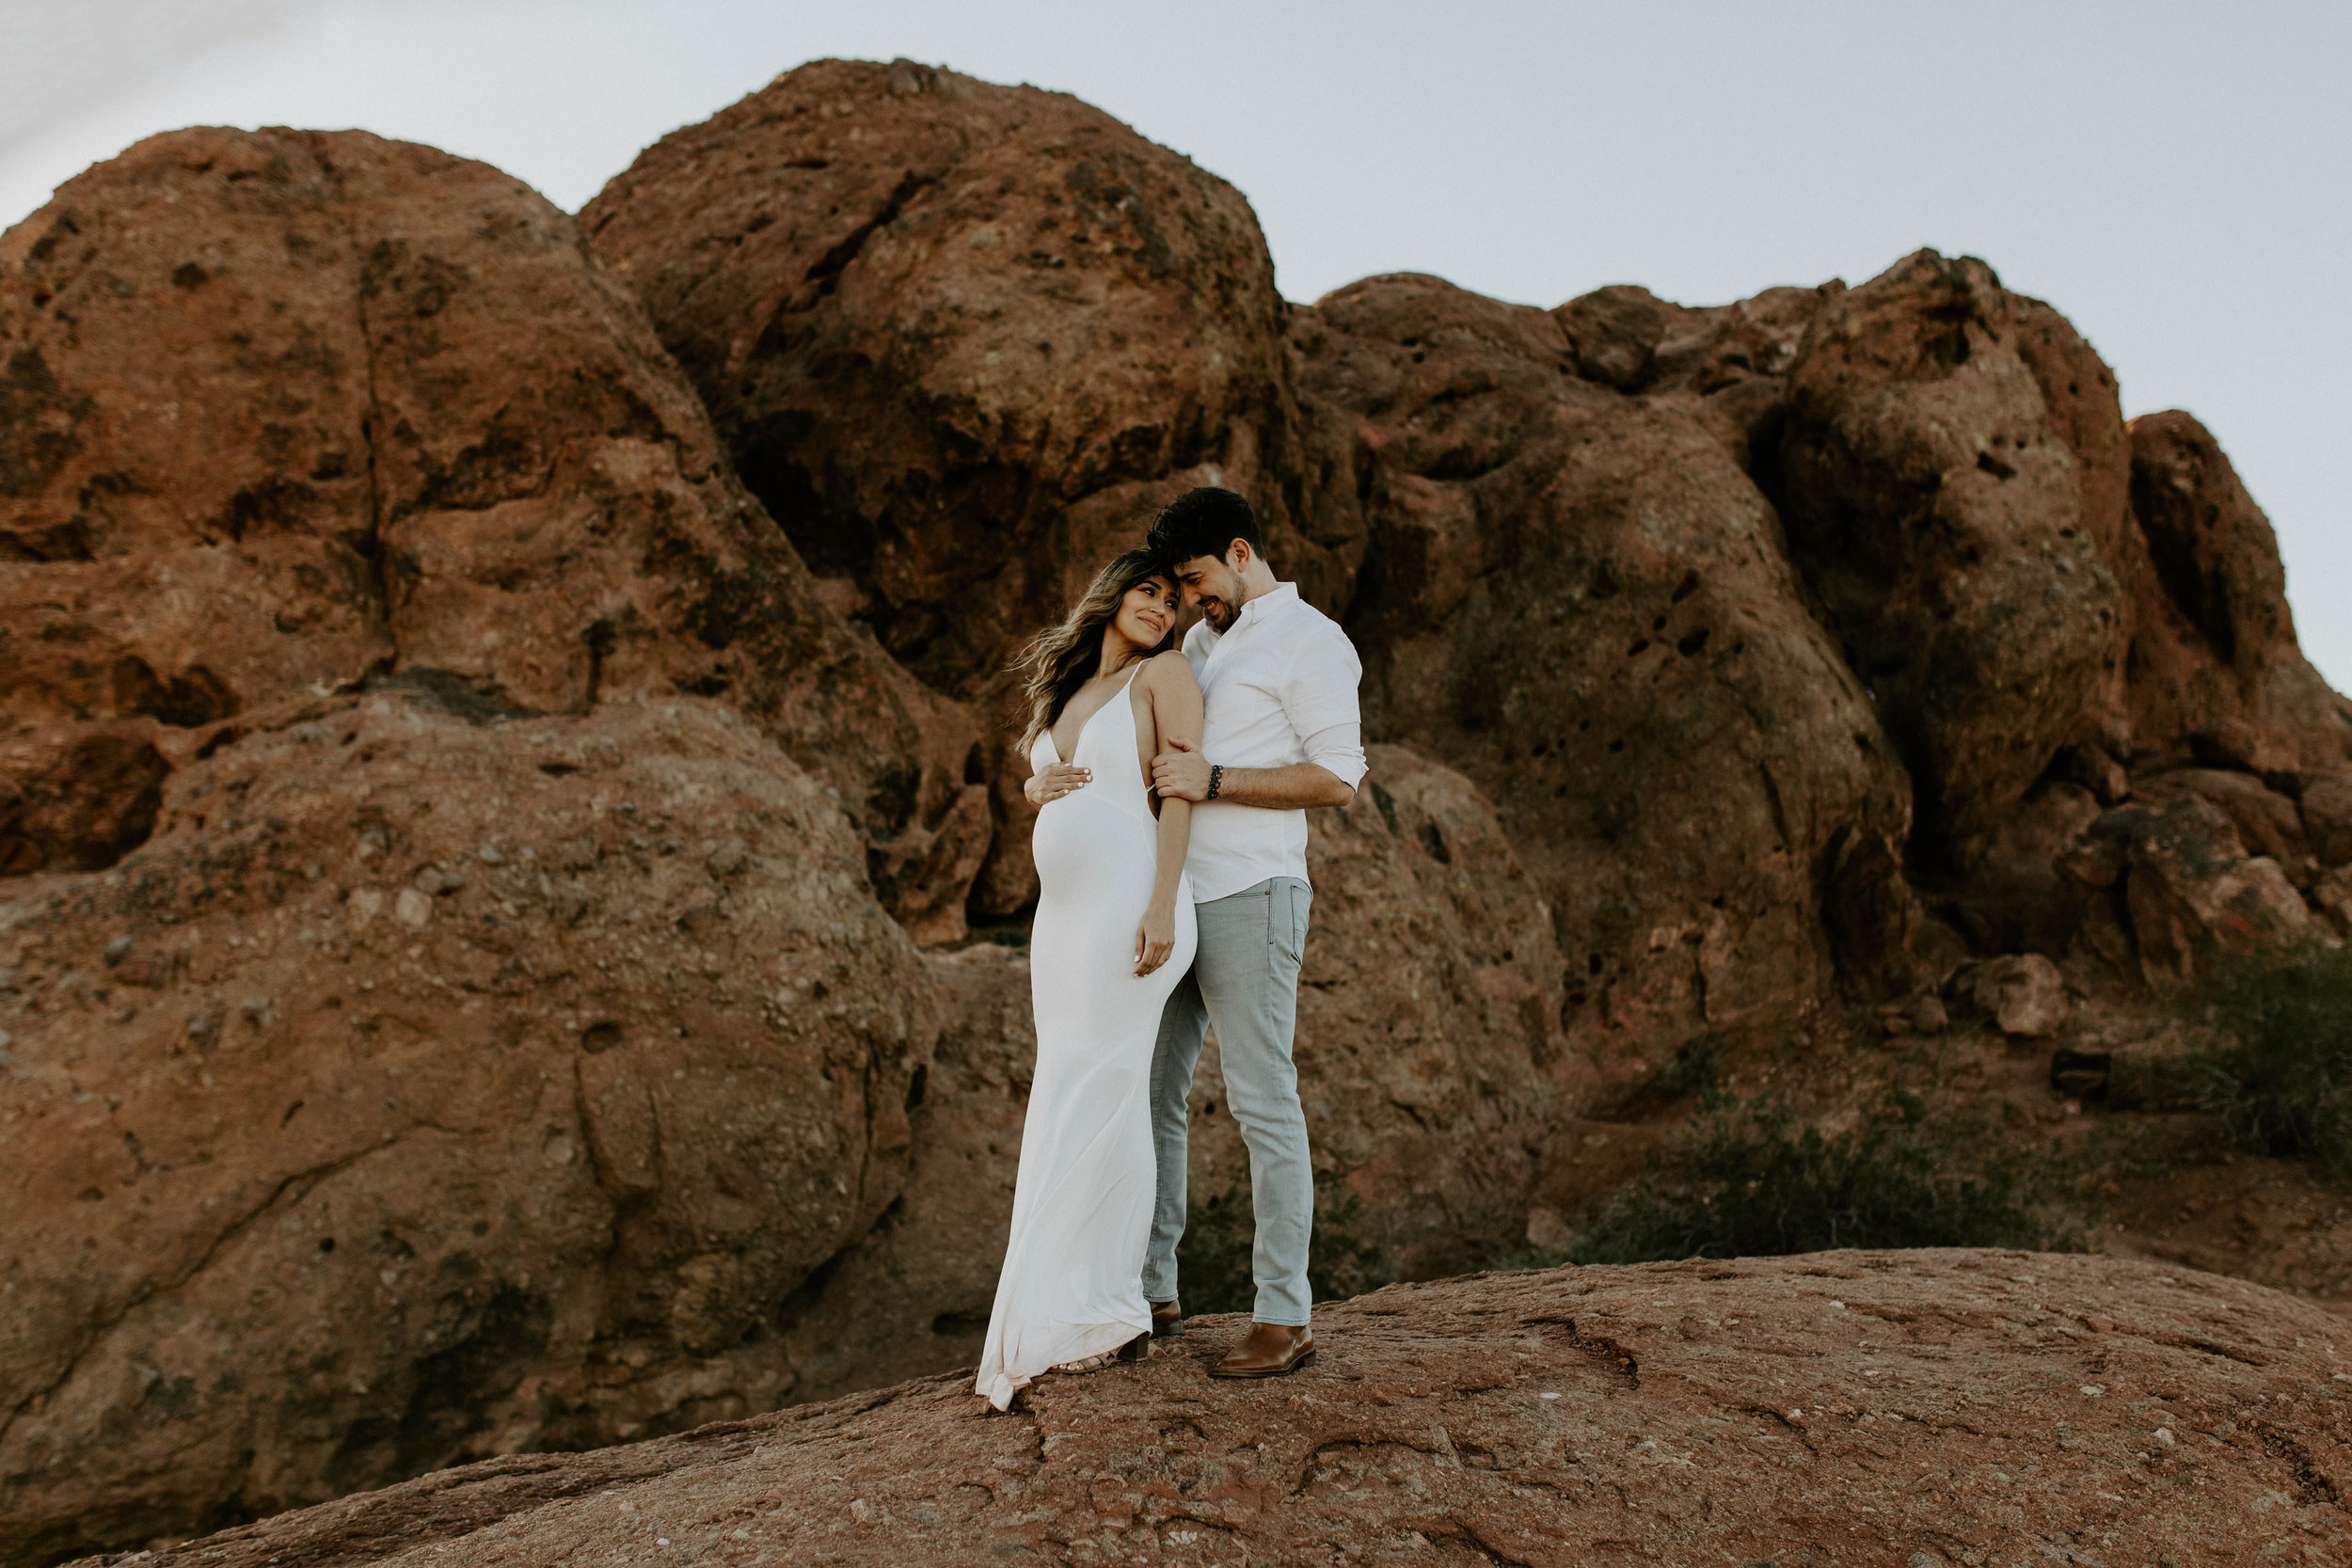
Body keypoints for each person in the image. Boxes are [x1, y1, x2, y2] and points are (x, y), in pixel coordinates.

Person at [1139, 486, 1366, 1378]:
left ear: (1240, 552)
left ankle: (1284, 1314)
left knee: (1262, 1100)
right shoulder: (1203, 641)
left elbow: (1340, 778)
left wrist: (1217, 777)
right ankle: (1153, 1290)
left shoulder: (1313, 640)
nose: (1193, 596)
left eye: (1197, 577)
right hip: (1173, 896)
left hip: (1252, 891)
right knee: (1152, 1095)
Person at [973, 550, 1204, 1412]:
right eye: (1147, 591)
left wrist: (1162, 906)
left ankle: (1107, 1307)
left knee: (1109, 1090)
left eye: (1173, 600)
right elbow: (1049, 775)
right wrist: (1038, 783)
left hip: (1131, 908)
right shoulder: (1065, 692)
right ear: (1113, 595)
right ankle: (1052, 1300)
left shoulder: (1166, 673)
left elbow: (1179, 794)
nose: (1159, 609)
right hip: (1061, 924)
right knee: (1065, 1090)